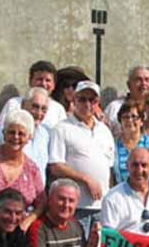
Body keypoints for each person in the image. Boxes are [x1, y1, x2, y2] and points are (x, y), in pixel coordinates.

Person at [49, 81, 115, 232]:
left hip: (102, 208)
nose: (87, 104)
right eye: (82, 99)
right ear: (74, 99)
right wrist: (86, 179)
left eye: (92, 100)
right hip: (75, 207)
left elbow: (109, 169)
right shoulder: (62, 128)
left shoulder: (104, 131)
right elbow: (55, 166)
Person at [0, 87, 52, 184]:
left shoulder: (45, 135)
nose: (39, 113)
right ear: (23, 105)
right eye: (35, 107)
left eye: (44, 109)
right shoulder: (4, 131)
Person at [101, 147, 149, 237]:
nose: (139, 171)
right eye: (135, 165)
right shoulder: (112, 198)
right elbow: (108, 237)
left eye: (144, 165)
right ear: (127, 166)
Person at [113, 100, 149, 195]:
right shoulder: (113, 145)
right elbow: (111, 177)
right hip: (123, 200)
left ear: (141, 121)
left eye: (134, 117)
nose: (130, 120)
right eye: (125, 117)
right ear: (120, 121)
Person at [0, 60, 66, 129]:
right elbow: (0, 130)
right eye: (39, 79)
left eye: (48, 80)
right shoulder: (13, 104)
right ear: (30, 81)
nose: (43, 84)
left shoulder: (58, 110)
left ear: (53, 85)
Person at [104, 65, 149, 138]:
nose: (143, 83)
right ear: (129, 85)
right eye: (138, 79)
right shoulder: (114, 107)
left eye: (147, 80)